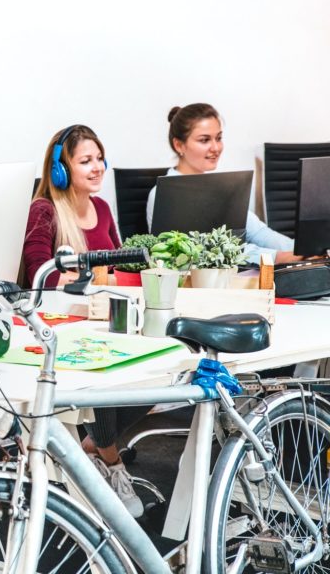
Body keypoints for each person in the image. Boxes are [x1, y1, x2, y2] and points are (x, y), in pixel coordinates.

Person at [21, 124, 146, 518]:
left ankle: (92, 447)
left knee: (166, 373)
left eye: (99, 160)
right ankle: (112, 463)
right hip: (62, 325)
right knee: (102, 375)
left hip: (103, 318)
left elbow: (119, 265)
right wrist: (83, 279)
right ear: (60, 169)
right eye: (85, 161)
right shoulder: (44, 210)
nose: (96, 168)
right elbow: (36, 273)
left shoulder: (103, 209)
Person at [147, 103, 304, 264]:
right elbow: (205, 252)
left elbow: (258, 233)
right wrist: (277, 257)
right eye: (204, 140)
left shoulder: (220, 188)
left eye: (219, 138)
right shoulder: (165, 194)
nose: (216, 147)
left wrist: (302, 250)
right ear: (179, 145)